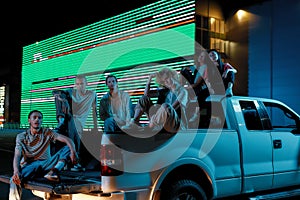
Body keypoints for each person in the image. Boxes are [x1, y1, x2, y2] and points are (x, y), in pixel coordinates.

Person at [9, 110, 78, 200]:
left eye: (40, 118)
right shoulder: (21, 136)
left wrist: (73, 152)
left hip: (47, 165)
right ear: (29, 120)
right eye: (34, 117)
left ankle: (54, 172)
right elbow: (17, 155)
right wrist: (16, 171)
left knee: (68, 147)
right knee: (14, 180)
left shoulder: (47, 132)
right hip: (31, 166)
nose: (37, 120)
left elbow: (67, 139)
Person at [53, 74, 98, 171]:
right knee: (59, 99)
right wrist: (64, 100)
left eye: (82, 84)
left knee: (74, 124)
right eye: (77, 84)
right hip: (67, 118)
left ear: (87, 84)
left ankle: (73, 161)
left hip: (76, 122)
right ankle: (61, 120)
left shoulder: (92, 94)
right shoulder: (71, 92)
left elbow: (95, 111)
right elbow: (56, 93)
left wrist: (96, 126)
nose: (79, 86)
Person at [123, 67, 188, 133]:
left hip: (176, 124)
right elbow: (146, 95)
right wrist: (149, 79)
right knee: (144, 98)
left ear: (172, 76)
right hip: (160, 122)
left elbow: (172, 108)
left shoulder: (183, 91)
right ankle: (135, 122)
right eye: (163, 81)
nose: (166, 82)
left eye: (167, 78)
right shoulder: (164, 91)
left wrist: (154, 117)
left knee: (166, 106)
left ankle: (149, 127)